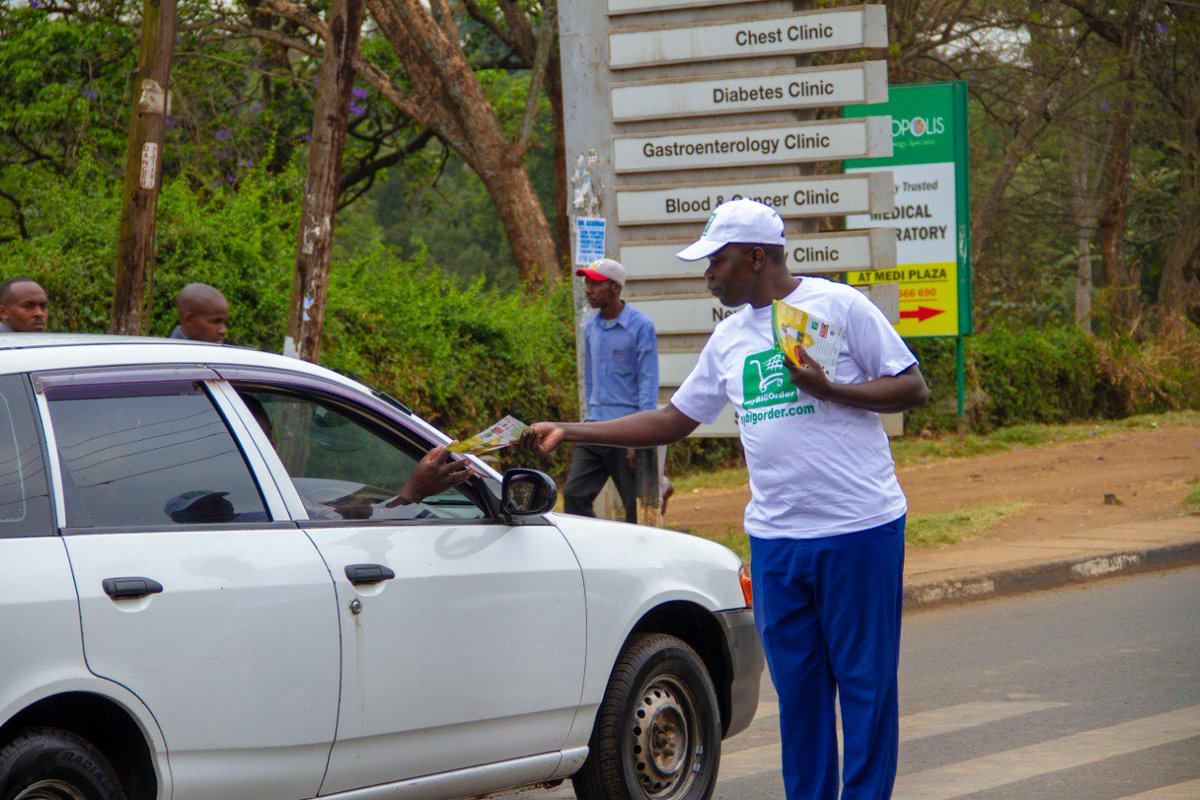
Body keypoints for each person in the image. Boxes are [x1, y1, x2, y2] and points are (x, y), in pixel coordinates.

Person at [521, 199, 929, 800]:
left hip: (857, 530)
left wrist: (829, 388)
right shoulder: (730, 337)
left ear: (756, 257)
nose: (708, 273)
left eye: (717, 260)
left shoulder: (838, 306)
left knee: (866, 688)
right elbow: (672, 420)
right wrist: (572, 429)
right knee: (800, 695)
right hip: (776, 542)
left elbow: (912, 387)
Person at [564, 257, 658, 523]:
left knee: (636, 509)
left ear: (615, 288)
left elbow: (647, 381)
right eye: (586, 283)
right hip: (594, 429)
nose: (587, 289)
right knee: (573, 494)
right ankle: (591, 551)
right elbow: (590, 380)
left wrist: (641, 437)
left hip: (627, 430)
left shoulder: (641, 326)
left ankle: (636, 558)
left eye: (595, 283)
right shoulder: (591, 328)